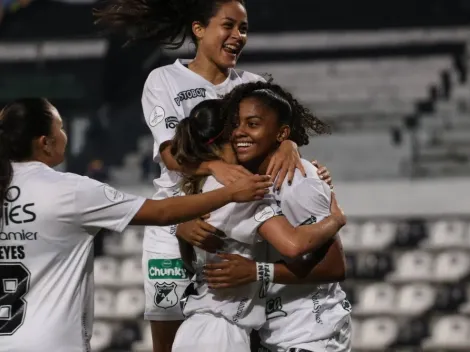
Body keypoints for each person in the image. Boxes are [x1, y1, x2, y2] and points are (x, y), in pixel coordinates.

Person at [94, 1, 331, 350]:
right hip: (176, 224)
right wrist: (216, 169)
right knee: (170, 341)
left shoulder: (253, 86)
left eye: (244, 28)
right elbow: (172, 154)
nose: (238, 36)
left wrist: (289, 146)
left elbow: (282, 133)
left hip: (237, 231)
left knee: (236, 334)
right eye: (229, 25)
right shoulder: (164, 80)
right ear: (199, 29)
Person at [0, 98, 272, 352]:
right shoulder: (68, 191)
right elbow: (162, 212)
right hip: (51, 344)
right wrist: (230, 193)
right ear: (45, 143)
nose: (65, 136)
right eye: (60, 128)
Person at [169, 95, 346, 352]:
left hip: (198, 329)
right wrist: (336, 219)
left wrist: (288, 145)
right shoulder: (237, 190)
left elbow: (189, 260)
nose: (241, 133)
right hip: (221, 335)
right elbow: (294, 245)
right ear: (227, 137)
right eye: (237, 127)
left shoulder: (203, 188)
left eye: (248, 125)